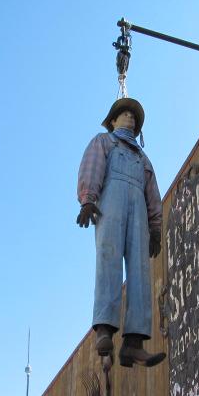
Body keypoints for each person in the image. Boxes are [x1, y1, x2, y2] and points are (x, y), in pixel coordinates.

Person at [77, 97, 166, 368]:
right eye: (125, 114)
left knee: (140, 270)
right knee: (109, 258)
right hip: (111, 203)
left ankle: (134, 343)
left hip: (138, 209)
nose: (131, 118)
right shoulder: (104, 142)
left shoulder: (143, 159)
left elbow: (153, 195)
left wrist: (155, 228)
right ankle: (104, 329)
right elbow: (92, 166)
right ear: (113, 121)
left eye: (134, 117)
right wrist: (88, 199)